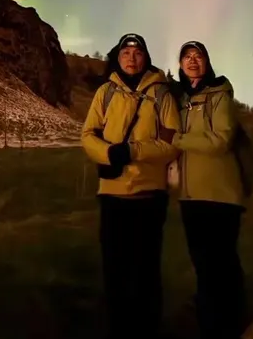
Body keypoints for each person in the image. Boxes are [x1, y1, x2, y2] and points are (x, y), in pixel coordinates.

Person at [81, 33, 180, 339]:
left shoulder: (162, 94)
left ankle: (147, 329)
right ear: (118, 56)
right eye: (126, 52)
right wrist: (109, 153)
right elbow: (88, 134)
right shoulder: (106, 92)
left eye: (138, 52)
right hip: (112, 195)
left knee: (146, 272)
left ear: (146, 57)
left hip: (149, 196)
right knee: (115, 270)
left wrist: (134, 151)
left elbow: (172, 142)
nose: (132, 57)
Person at [171, 40, 247, 339]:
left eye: (198, 56)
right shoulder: (181, 99)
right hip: (191, 197)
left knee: (222, 264)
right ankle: (209, 321)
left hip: (220, 195)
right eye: (186, 57)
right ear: (180, 65)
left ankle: (231, 324)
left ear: (207, 62)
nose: (192, 61)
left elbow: (221, 140)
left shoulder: (219, 96)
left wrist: (177, 139)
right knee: (203, 264)